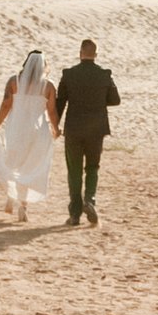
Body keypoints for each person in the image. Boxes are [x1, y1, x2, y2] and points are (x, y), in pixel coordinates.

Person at [53, 37, 120, 227]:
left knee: (74, 171)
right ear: (96, 55)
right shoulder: (104, 74)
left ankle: (75, 214)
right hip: (96, 129)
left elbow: (60, 103)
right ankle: (89, 200)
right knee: (92, 167)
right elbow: (115, 100)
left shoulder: (68, 74)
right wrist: (98, 99)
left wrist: (55, 125)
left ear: (80, 53)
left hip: (74, 129)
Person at [0, 50, 57, 223]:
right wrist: (56, 128)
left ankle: (11, 196)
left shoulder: (13, 81)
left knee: (13, 162)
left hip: (16, 127)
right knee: (29, 167)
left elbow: (5, 104)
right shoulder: (48, 86)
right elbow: (52, 111)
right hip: (37, 131)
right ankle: (23, 207)